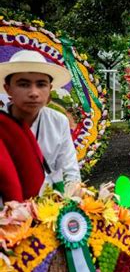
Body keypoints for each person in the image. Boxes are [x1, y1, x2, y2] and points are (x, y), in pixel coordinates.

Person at [0, 50, 80, 192]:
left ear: (50, 89)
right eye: (23, 84)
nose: (34, 93)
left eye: (41, 84)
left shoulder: (58, 121)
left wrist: (71, 208)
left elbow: (70, 172)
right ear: (8, 89)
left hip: (48, 207)